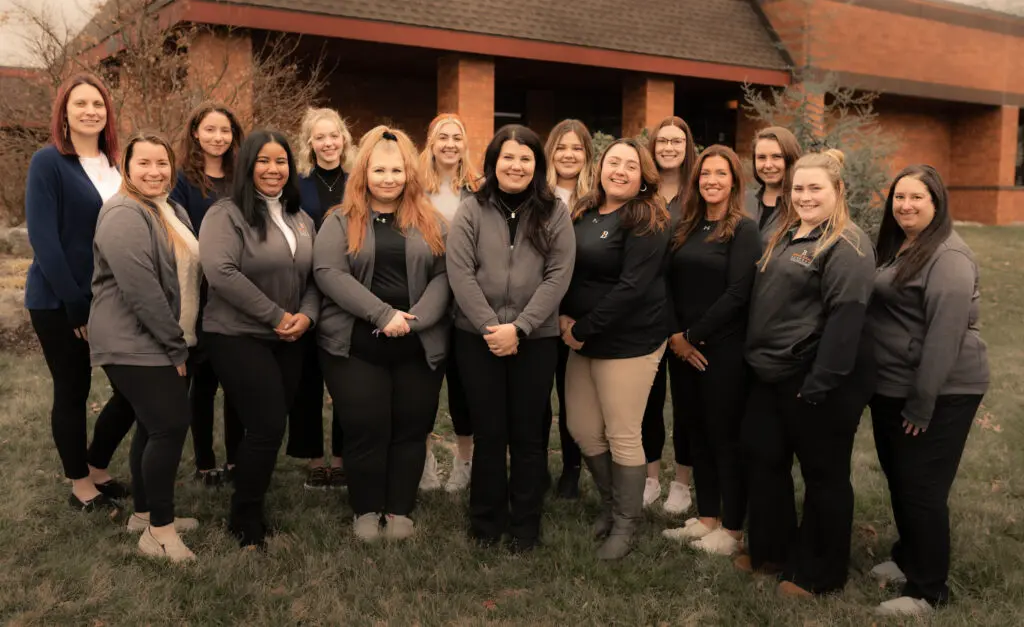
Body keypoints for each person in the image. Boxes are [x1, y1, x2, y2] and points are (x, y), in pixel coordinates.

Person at [738, 149, 876, 597]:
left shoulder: (847, 244)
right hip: (771, 372)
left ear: (838, 190)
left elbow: (845, 321)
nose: (805, 196)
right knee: (765, 458)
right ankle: (772, 549)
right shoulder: (787, 230)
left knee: (824, 476)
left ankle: (819, 574)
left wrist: (820, 384)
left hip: (816, 377)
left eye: (815, 188)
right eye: (799, 188)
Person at [315, 126, 450, 541]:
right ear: (363, 172)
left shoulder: (433, 221)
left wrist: (416, 319)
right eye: (379, 170)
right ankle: (366, 510)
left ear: (409, 172)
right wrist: (381, 314)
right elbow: (328, 272)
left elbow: (446, 276)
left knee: (411, 426)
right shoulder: (340, 220)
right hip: (356, 344)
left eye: (396, 170)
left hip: (417, 343)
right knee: (366, 425)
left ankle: (399, 510)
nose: (388, 178)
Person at [867, 165, 989, 617]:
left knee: (921, 487)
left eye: (917, 197)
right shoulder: (903, 244)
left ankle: (928, 590)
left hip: (942, 391)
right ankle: (908, 558)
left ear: (936, 203)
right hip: (893, 384)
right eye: (899, 197)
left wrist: (922, 405)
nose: (906, 205)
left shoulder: (949, 257)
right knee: (901, 477)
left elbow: (944, 335)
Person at [447, 124, 575, 552]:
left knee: (527, 434)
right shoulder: (471, 208)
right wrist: (492, 328)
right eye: (508, 157)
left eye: (525, 158)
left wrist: (519, 328)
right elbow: (460, 274)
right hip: (476, 337)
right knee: (489, 431)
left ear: (536, 165)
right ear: (493, 162)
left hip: (534, 339)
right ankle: (485, 523)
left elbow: (558, 275)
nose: (516, 165)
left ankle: (525, 526)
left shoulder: (554, 211)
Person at [198, 130, 320, 549]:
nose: (273, 169)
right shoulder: (225, 214)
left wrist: (306, 315)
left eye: (281, 161)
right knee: (267, 424)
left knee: (269, 426)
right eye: (264, 161)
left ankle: (250, 498)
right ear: (248, 165)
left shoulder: (301, 219)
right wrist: (276, 315)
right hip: (235, 334)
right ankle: (244, 516)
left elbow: (313, 277)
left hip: (288, 336)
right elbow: (221, 273)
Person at [24, 73, 134, 510]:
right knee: (73, 389)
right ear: (64, 113)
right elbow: (44, 239)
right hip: (60, 300)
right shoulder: (48, 162)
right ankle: (80, 486)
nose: (91, 111)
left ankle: (97, 465)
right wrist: (75, 304)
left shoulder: (118, 163)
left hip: (113, 298)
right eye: (80, 104)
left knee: (131, 388)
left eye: (98, 104)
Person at [90, 132, 201, 561]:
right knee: (170, 424)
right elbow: (143, 291)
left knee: (153, 425)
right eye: (144, 164)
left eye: (162, 163)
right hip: (134, 339)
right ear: (127, 167)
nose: (155, 171)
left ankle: (144, 513)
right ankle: (159, 532)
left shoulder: (168, 209)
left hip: (161, 337)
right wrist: (175, 348)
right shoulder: (123, 212)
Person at [560, 137, 671, 560]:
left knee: (622, 433)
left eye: (630, 165)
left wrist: (584, 328)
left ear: (644, 175)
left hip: (628, 341)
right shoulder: (586, 210)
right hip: (581, 336)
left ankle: (626, 523)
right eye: (613, 163)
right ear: (600, 167)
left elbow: (632, 287)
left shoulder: (646, 217)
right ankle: (610, 504)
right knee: (584, 429)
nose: (620, 171)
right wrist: (563, 318)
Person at [660, 146, 761, 556]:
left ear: (734, 181)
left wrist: (694, 336)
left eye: (720, 174)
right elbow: (666, 283)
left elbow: (739, 293)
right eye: (705, 174)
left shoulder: (743, 230)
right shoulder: (686, 227)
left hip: (721, 350)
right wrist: (675, 337)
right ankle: (706, 517)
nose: (712, 181)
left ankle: (733, 527)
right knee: (694, 428)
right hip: (682, 349)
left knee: (724, 436)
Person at [171, 102, 245, 487]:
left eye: (226, 131)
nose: (218, 137)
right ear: (196, 132)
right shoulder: (181, 178)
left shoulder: (241, 177)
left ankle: (236, 460)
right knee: (203, 380)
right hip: (196, 287)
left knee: (234, 377)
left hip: (235, 287)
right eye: (211, 130)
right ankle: (204, 462)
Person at [290, 107, 356, 489]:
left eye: (334, 136)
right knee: (307, 378)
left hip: (348, 286)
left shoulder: (358, 181)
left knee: (346, 376)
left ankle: (341, 457)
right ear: (309, 143)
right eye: (320, 137)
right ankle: (315, 458)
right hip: (305, 286)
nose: (328, 143)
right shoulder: (298, 184)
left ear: (344, 139)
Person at [419, 113, 481, 493]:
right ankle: (424, 463)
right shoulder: (414, 188)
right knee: (424, 386)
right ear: (430, 141)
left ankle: (464, 462)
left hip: (465, 300)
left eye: (457, 138)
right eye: (442, 137)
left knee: (463, 388)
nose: (450, 144)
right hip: (424, 295)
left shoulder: (476, 189)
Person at [642, 116, 699, 513]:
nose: (669, 147)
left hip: (688, 313)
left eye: (677, 141)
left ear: (687, 146)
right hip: (645, 311)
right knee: (647, 398)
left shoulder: (698, 194)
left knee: (687, 401)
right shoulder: (640, 193)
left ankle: (682, 482)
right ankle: (649, 478)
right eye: (662, 141)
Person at [542, 119, 594, 499]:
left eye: (577, 148)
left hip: (580, 314)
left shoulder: (598, 199)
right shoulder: (537, 196)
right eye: (562, 147)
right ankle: (538, 465)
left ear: (587, 155)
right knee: (539, 395)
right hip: (542, 311)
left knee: (573, 396)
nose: (569, 155)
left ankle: (572, 472)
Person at [745, 126, 802, 244]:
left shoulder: (802, 204)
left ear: (791, 158)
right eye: (761, 157)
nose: (768, 165)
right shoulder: (743, 201)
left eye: (776, 157)